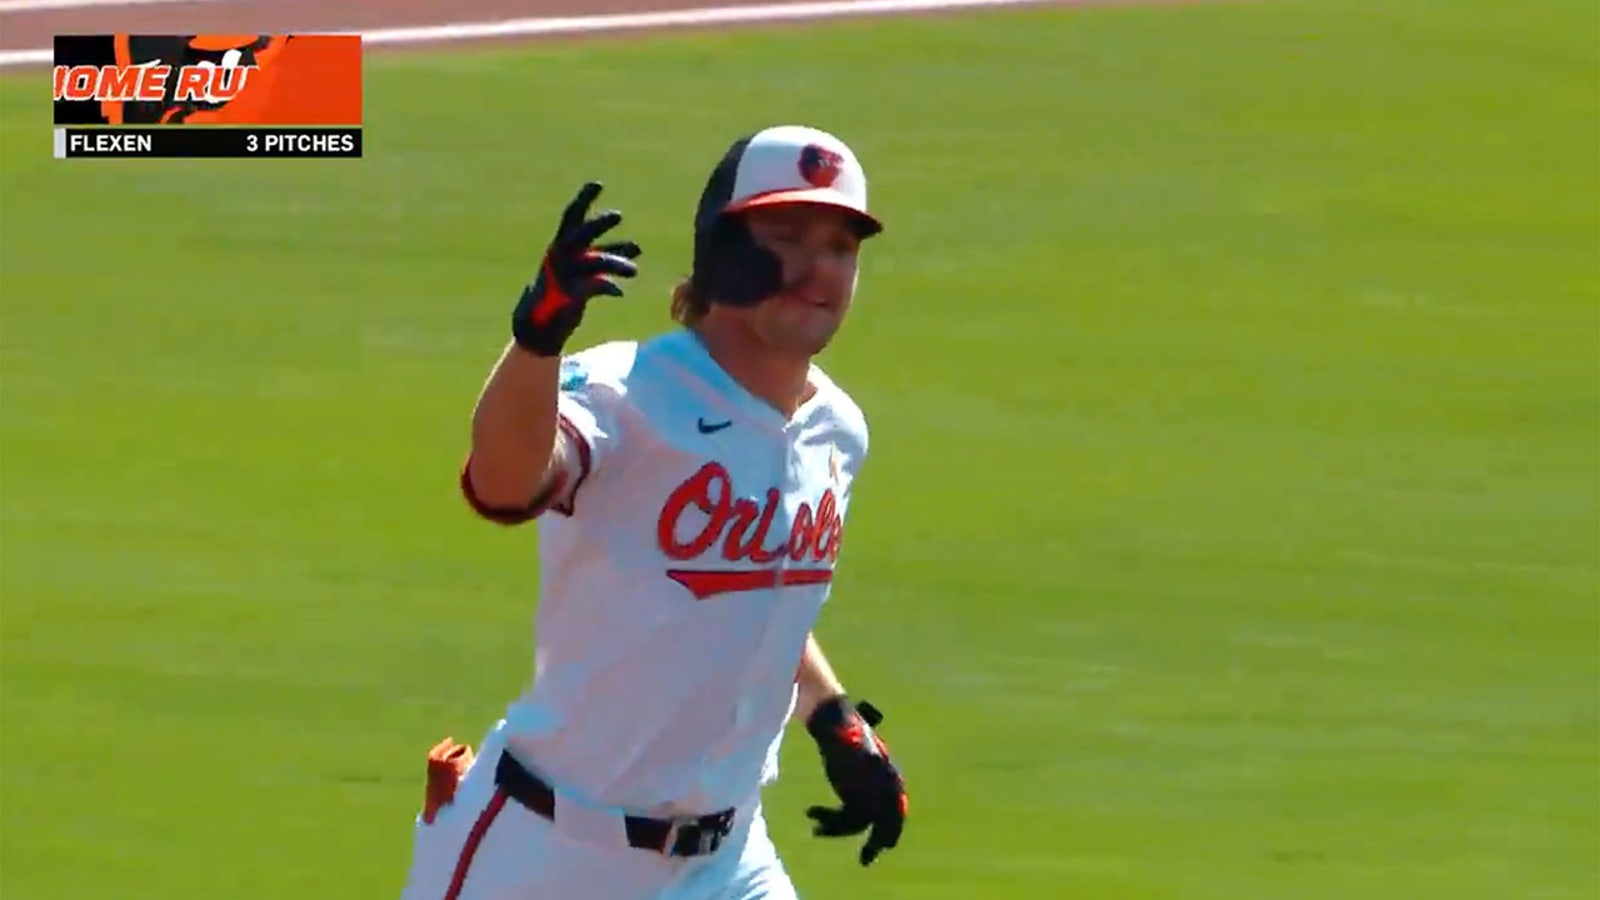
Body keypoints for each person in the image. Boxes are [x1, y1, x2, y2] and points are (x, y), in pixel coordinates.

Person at [397, 125, 909, 900]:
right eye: (789, 237)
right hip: (550, 854)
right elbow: (503, 486)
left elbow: (755, 596)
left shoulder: (837, 429)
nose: (820, 267)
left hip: (729, 860)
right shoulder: (627, 393)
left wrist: (832, 716)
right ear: (724, 251)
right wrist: (537, 340)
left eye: (842, 246)